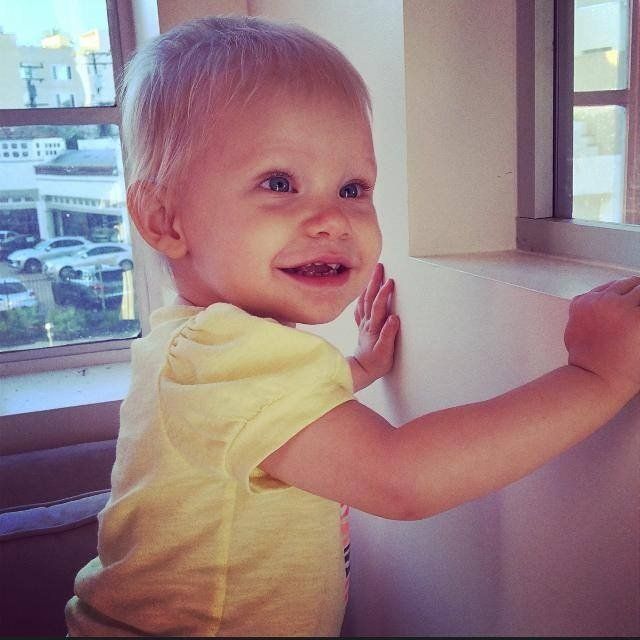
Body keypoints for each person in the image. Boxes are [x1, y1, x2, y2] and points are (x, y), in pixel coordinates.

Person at [65, 14, 640, 637]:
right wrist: (596, 377)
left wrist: (358, 368)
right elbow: (399, 479)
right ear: (164, 219)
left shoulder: (201, 347)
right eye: (279, 183)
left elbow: (263, 415)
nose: (332, 219)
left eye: (352, 188)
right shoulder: (215, 352)